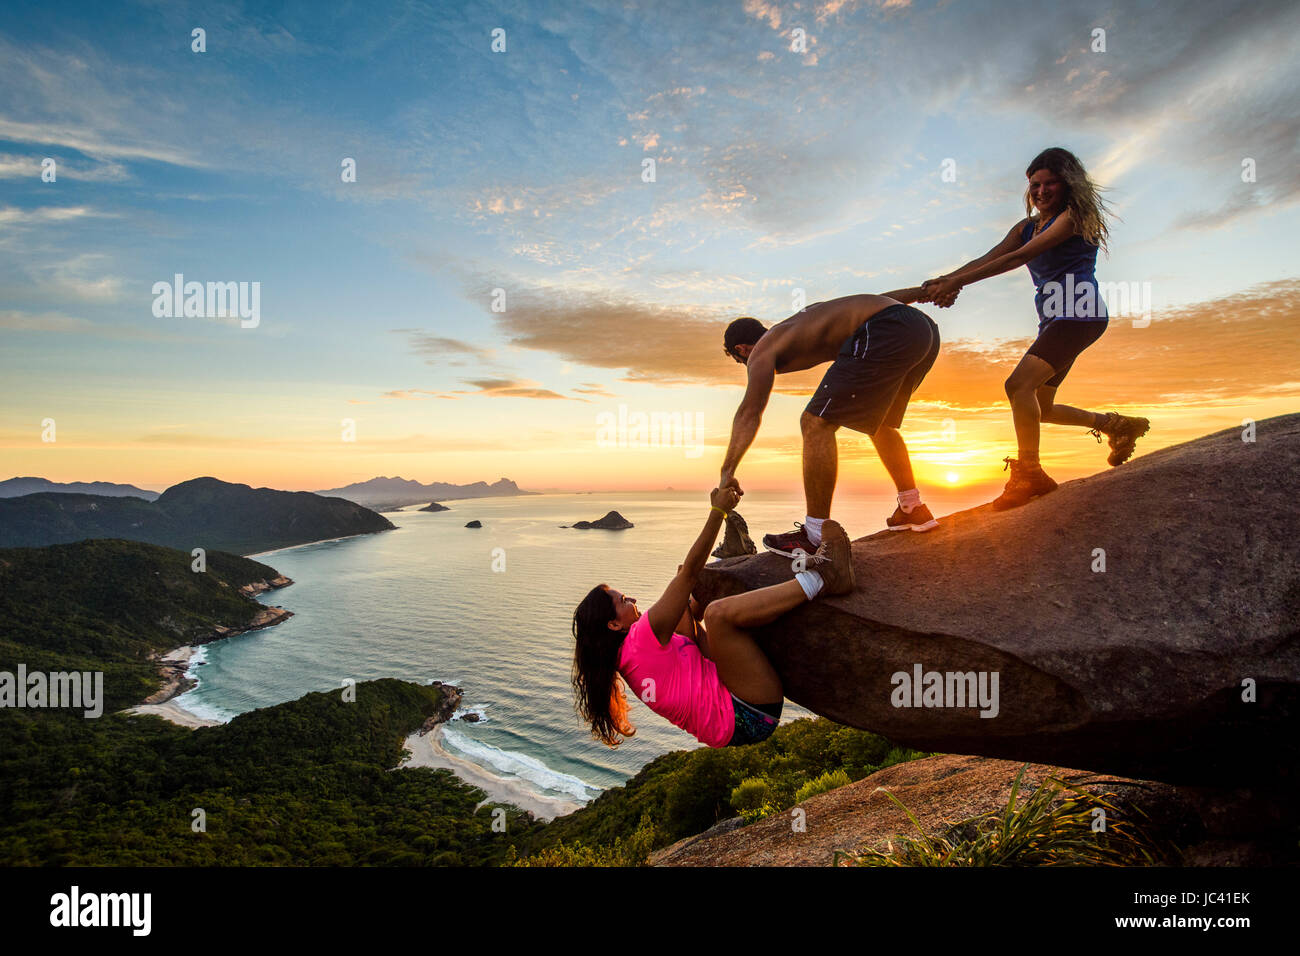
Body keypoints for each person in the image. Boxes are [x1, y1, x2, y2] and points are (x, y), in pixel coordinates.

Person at [922, 147, 1149, 510]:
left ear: (1068, 184)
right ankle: (1116, 425)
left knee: (1017, 386)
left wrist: (957, 284)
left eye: (1050, 183)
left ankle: (1030, 473)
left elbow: (1019, 257)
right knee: (1040, 406)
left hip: (1080, 314)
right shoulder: (1026, 226)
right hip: (1054, 319)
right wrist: (947, 279)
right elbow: (992, 256)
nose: (1041, 191)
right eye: (1034, 184)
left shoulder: (1074, 217)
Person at [571, 486, 854, 749]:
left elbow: (687, 605)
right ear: (613, 624)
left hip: (734, 714)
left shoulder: (628, 658)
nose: (631, 599)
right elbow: (689, 573)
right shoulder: (642, 638)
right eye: (623, 601)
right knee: (715, 614)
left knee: (687, 600)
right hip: (749, 714)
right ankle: (825, 576)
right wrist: (717, 512)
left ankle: (732, 558)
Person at [720, 285, 951, 559]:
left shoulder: (760, 350)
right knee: (881, 424)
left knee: (815, 423)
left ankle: (815, 534)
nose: (745, 365)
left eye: (739, 361)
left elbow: (750, 412)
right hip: (921, 330)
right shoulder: (802, 321)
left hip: (887, 328)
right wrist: (924, 292)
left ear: (741, 349)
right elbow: (875, 299)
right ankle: (912, 507)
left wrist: (727, 470)